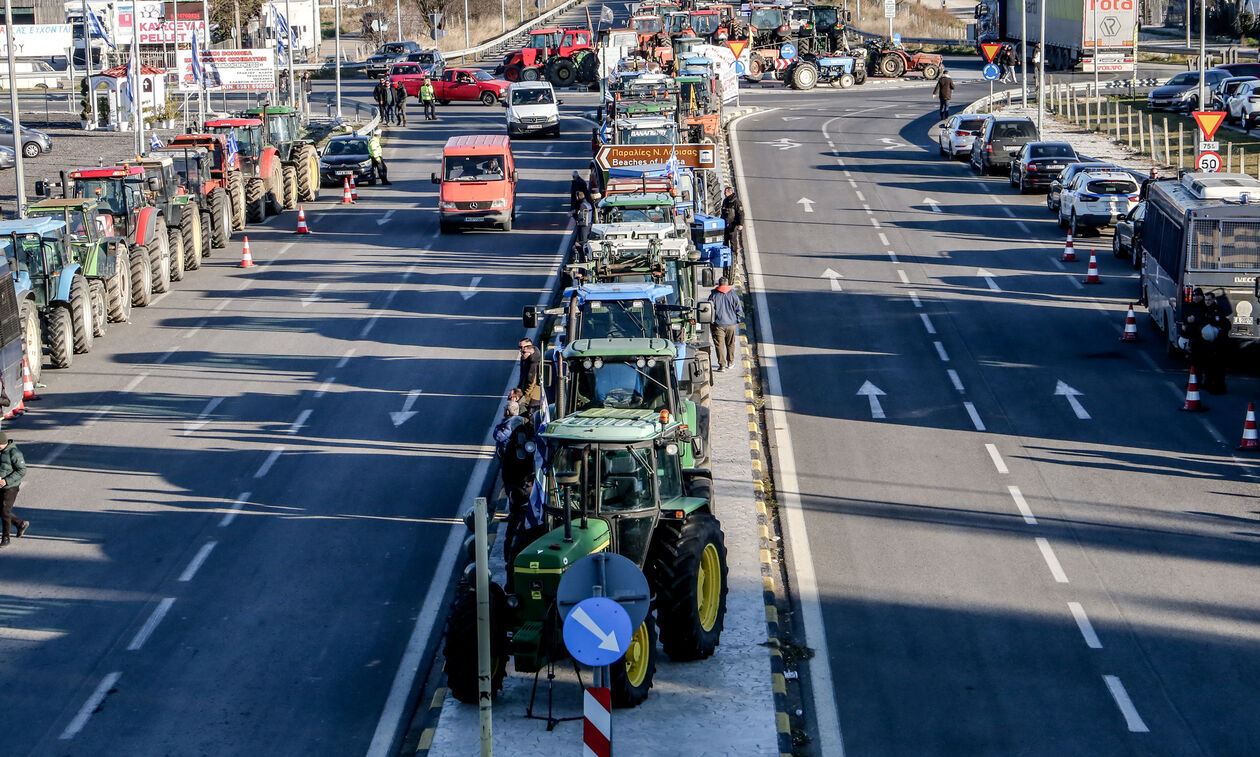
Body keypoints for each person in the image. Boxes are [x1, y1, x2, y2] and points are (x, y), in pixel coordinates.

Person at [1198, 291, 1231, 394]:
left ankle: (1219, 387)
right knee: (1208, 365)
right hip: (1208, 343)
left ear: (1213, 300)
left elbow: (1222, 324)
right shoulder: (1204, 310)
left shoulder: (1217, 311)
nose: (1207, 302)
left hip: (1218, 342)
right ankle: (1208, 383)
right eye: (1206, 300)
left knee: (1218, 366)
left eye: (1209, 300)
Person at [707, 277, 743, 373]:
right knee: (730, 344)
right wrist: (737, 320)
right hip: (731, 324)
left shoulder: (713, 295)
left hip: (718, 325)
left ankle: (722, 365)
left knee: (719, 345)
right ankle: (730, 363)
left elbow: (709, 310)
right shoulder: (733, 294)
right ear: (727, 284)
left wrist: (712, 322)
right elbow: (739, 309)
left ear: (719, 284)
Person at [0, 432, 28, 547]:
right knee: (1, 510)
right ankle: (20, 523)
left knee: (5, 511)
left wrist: (6, 481)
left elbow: (22, 470)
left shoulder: (14, 453)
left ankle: (6, 537)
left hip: (11, 487)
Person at [720, 186, 744, 272]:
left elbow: (741, 213)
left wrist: (740, 224)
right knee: (724, 242)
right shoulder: (725, 201)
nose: (724, 193)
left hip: (732, 225)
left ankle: (734, 259)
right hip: (724, 225)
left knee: (733, 242)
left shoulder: (736, 202)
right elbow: (723, 213)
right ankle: (725, 258)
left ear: (729, 192)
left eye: (725, 192)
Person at [518, 338, 543, 413]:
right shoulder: (525, 359)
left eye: (522, 348)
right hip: (528, 396)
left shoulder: (534, 362)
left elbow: (531, 382)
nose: (521, 351)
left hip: (533, 399)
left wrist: (524, 398)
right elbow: (522, 378)